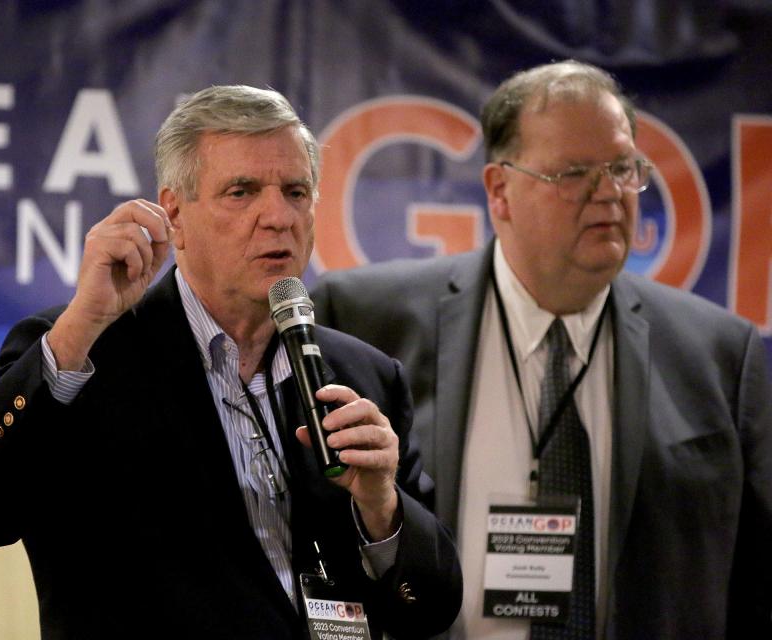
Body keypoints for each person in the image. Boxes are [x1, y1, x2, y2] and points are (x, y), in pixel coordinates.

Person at [0, 85, 462, 639]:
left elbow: (429, 608)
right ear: (174, 214)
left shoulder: (363, 375)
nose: (277, 216)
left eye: (296, 191)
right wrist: (82, 325)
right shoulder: (83, 355)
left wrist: (381, 508)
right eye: (241, 191)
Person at [312, 60, 772, 639]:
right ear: (500, 190)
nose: (610, 193)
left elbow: (757, 584)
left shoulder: (719, 353)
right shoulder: (363, 320)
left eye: (624, 169)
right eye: (575, 173)